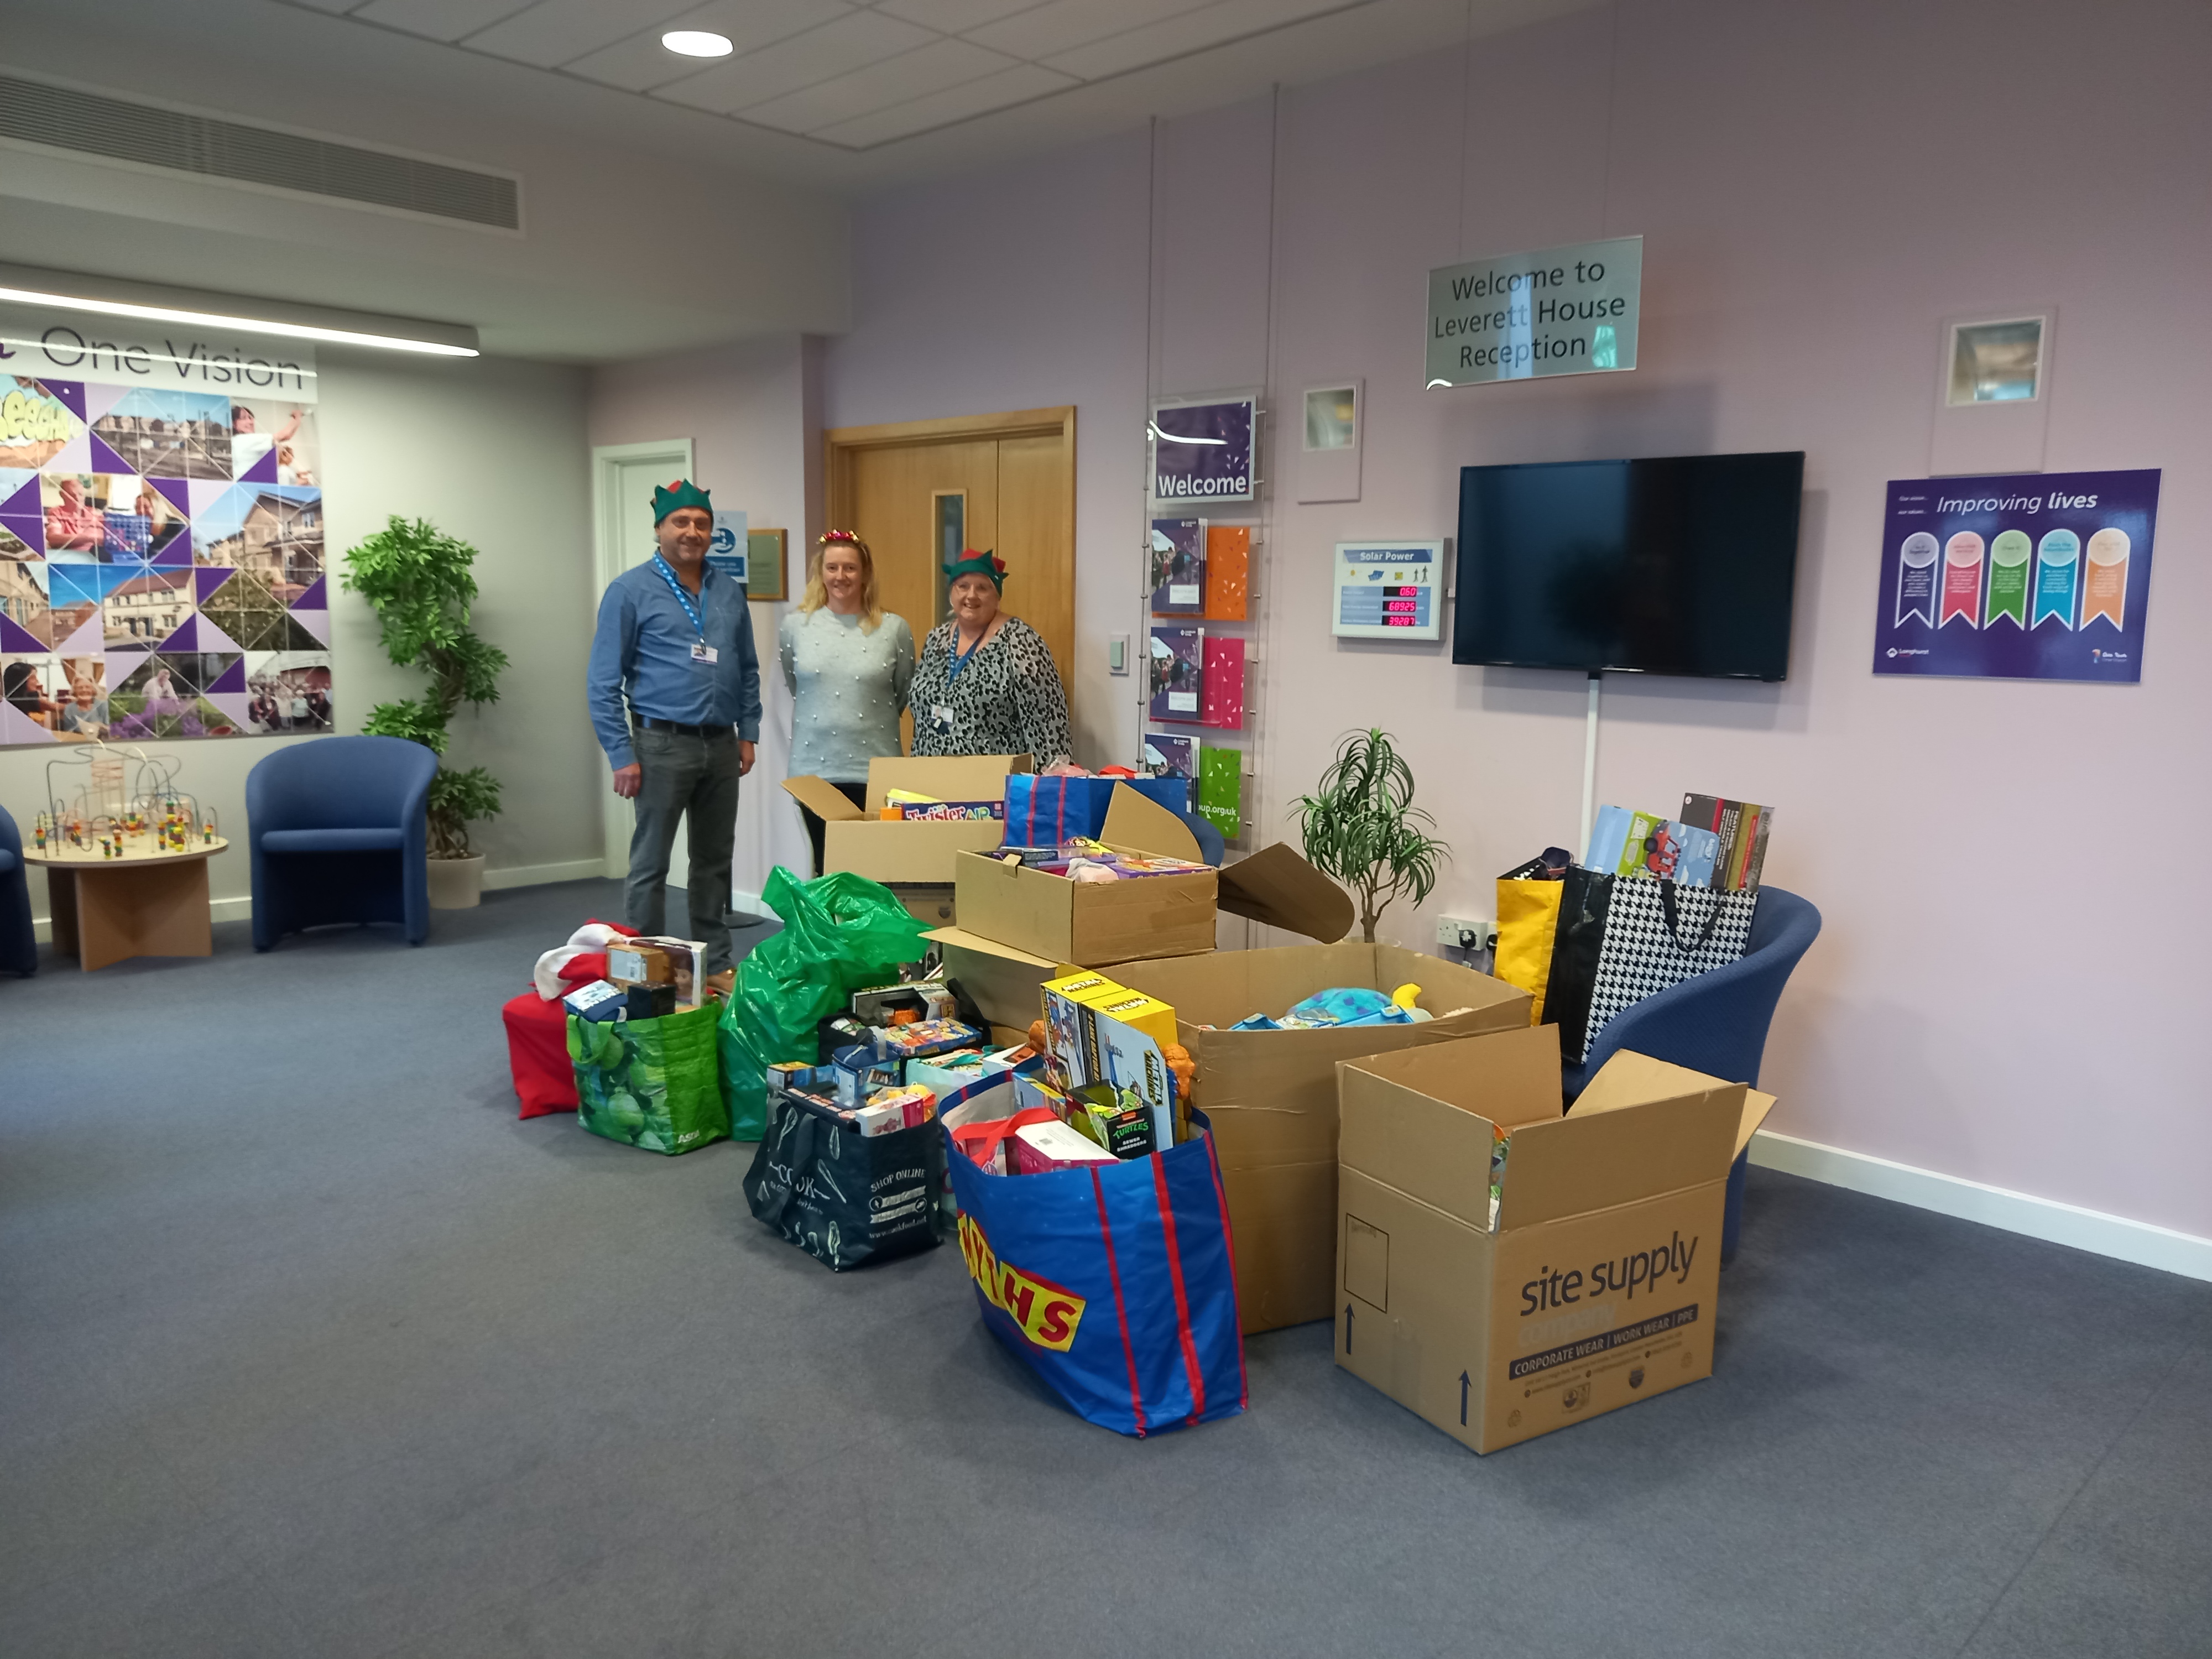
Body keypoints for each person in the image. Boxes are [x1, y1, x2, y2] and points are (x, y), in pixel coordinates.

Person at [586, 478, 761, 975]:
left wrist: (747, 732)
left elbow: (746, 668)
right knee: (651, 864)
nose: (692, 531)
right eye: (680, 522)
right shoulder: (629, 591)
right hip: (660, 744)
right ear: (660, 528)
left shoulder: (727, 590)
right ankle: (646, 969)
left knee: (713, 863)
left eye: (701, 523)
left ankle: (716, 966)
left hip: (722, 746)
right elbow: (602, 681)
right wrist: (621, 753)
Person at [779, 530, 914, 875]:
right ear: (820, 572)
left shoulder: (894, 629)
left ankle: (866, 932)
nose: (841, 577)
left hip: (875, 767)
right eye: (833, 568)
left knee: (872, 868)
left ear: (865, 574)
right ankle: (826, 932)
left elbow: (902, 692)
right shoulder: (796, 626)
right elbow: (798, 685)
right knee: (824, 865)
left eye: (851, 568)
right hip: (815, 768)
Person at [909, 549, 1070, 765]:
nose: (971, 595)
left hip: (994, 785)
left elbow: (1048, 725)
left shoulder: (1020, 640)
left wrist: (1047, 788)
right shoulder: (936, 639)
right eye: (963, 586)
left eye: (982, 588)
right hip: (932, 778)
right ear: (952, 593)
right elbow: (922, 717)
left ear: (997, 596)